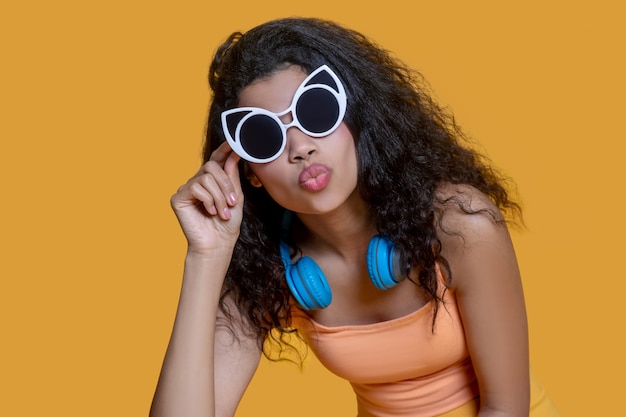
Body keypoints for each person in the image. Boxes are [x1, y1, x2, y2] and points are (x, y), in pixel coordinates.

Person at [150, 17, 562, 417]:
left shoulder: (460, 224)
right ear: (248, 173)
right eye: (263, 137)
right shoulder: (268, 270)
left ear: (356, 114)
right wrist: (207, 256)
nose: (300, 147)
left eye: (315, 111)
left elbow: (506, 408)